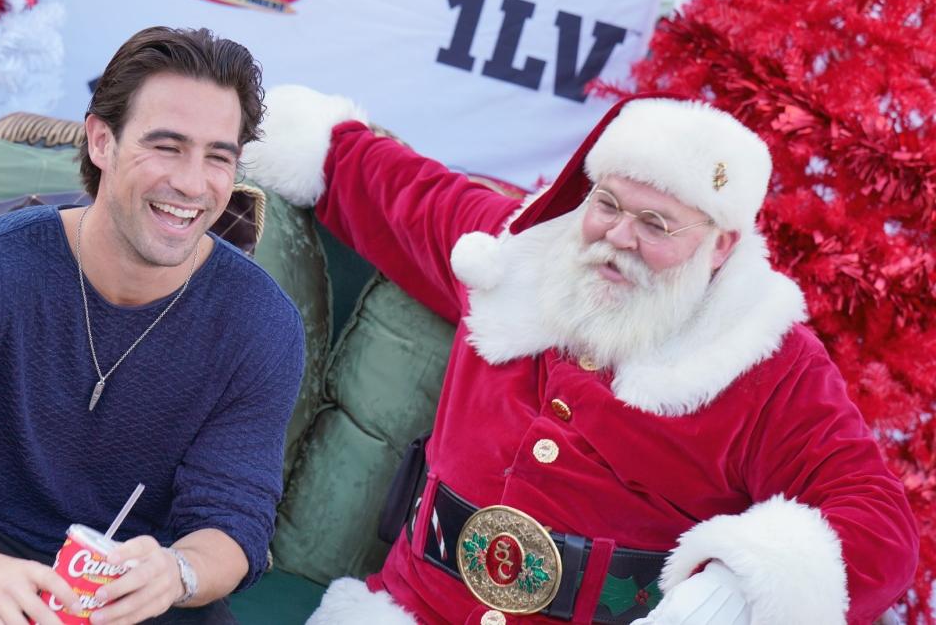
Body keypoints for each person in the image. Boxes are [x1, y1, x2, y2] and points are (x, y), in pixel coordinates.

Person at [242, 87, 918, 624]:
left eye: (656, 224)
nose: (617, 236)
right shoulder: (516, 258)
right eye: (608, 204)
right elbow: (391, 188)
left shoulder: (766, 361)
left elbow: (880, 528)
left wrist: (743, 591)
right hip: (410, 612)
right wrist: (272, 135)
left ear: (720, 246)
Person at [0, 27, 304, 625]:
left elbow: (233, 523)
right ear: (101, 141)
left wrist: (178, 573)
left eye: (218, 156)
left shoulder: (260, 323)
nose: (191, 182)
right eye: (166, 146)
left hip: (128, 575)